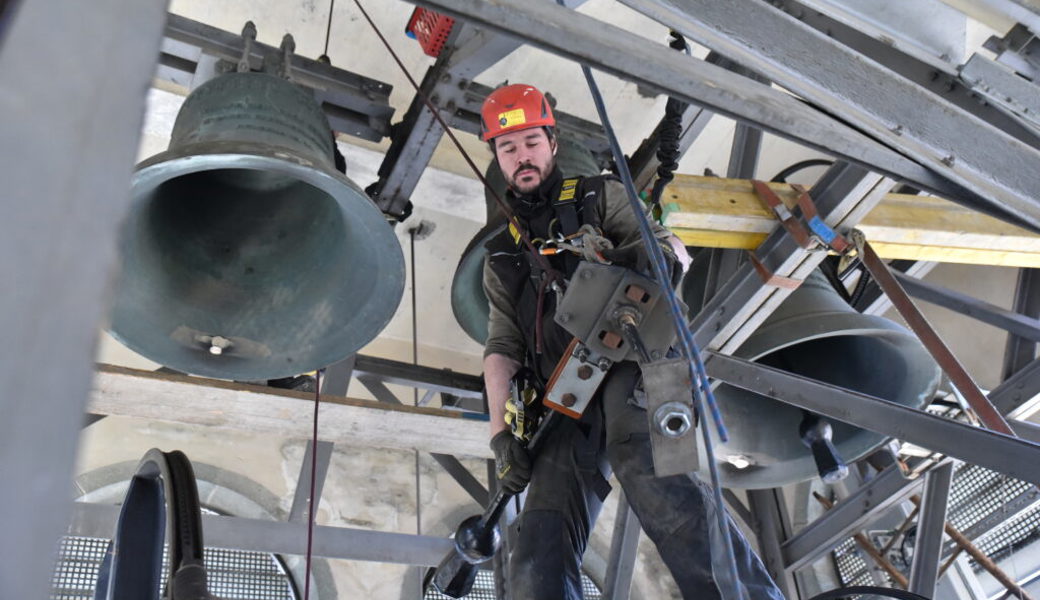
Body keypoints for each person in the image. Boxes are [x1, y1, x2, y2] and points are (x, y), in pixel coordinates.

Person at [478, 83, 786, 600]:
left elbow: (666, 248)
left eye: (530, 141)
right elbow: (501, 349)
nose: (521, 156)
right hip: (562, 398)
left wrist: (640, 258)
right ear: (498, 159)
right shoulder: (499, 257)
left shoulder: (598, 196)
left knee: (647, 468)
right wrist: (499, 437)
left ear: (552, 143)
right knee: (536, 547)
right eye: (508, 148)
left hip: (631, 360)